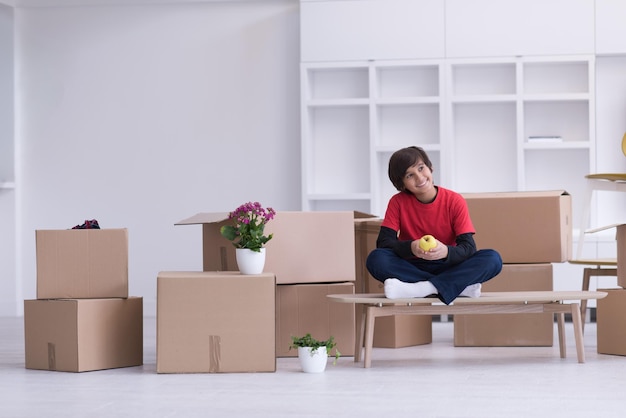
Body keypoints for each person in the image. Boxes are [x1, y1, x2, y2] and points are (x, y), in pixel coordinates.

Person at [366, 146, 502, 305]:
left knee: (493, 259)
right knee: (376, 259)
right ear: (402, 184)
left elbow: (468, 248)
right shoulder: (397, 202)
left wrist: (445, 251)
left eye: (421, 168)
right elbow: (383, 244)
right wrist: (412, 247)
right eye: (410, 175)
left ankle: (421, 288)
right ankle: (455, 286)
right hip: (413, 265)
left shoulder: (454, 200)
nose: (419, 177)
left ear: (431, 168)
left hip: (449, 265)